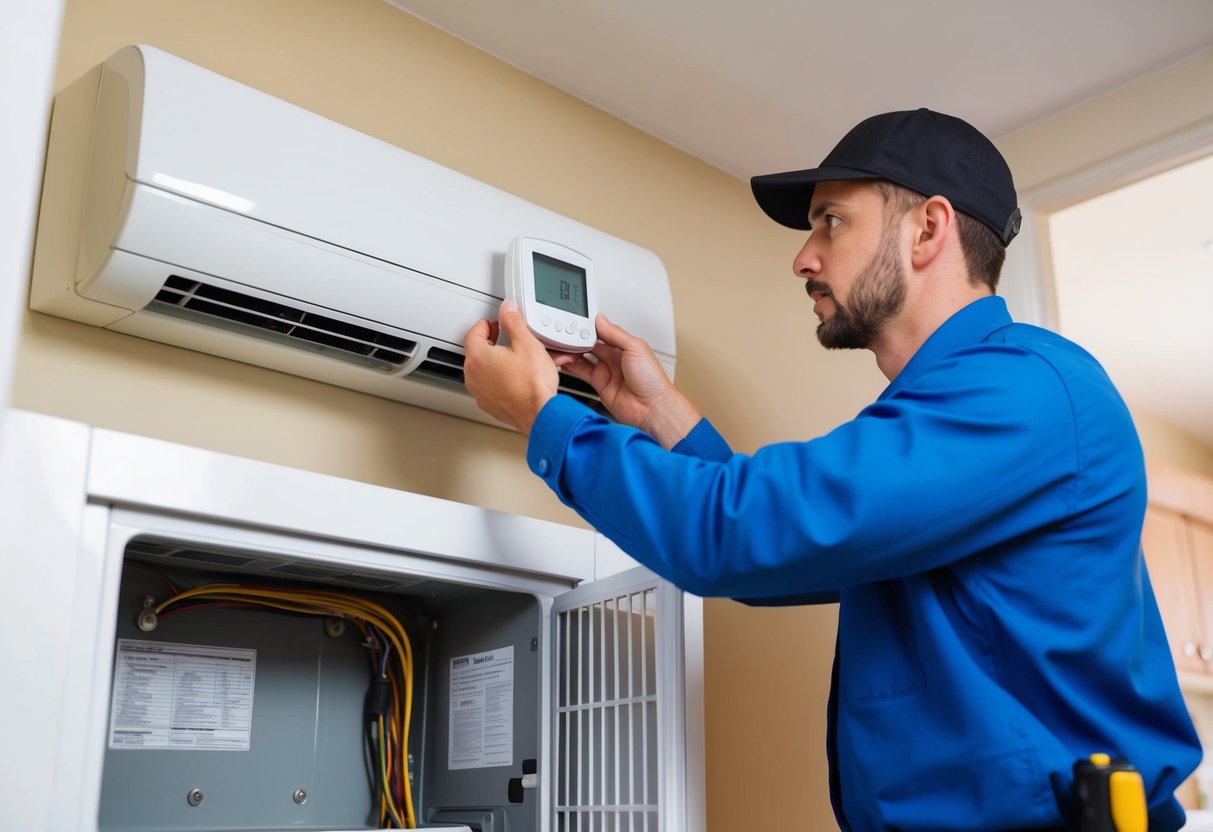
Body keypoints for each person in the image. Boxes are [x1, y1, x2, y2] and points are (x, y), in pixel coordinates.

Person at [462, 108, 1201, 831]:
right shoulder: (955, 413)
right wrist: (659, 414)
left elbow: (740, 537)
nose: (803, 257)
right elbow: (785, 551)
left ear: (928, 229)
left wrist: (544, 414)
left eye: (831, 221)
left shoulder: (1024, 390)